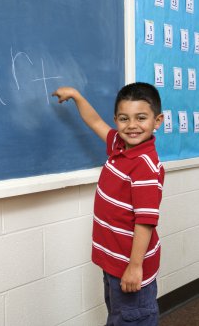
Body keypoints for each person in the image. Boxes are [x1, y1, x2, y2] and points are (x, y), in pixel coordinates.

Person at [52, 82, 164, 326]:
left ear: (157, 121)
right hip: (115, 262)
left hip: (131, 265)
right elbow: (95, 122)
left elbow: (145, 222)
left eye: (141, 118)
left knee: (133, 318)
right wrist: (77, 96)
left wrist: (135, 267)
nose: (132, 125)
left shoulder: (144, 166)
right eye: (124, 118)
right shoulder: (119, 146)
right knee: (118, 316)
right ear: (116, 119)